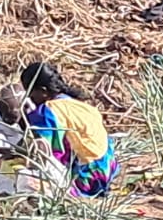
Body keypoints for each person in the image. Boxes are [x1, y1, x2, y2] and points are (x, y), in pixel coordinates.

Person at [18, 62, 119, 197]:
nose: (30, 98)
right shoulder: (82, 106)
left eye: (31, 93)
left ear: (43, 91)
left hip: (85, 180)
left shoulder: (48, 111)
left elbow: (45, 152)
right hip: (105, 171)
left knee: (22, 175)